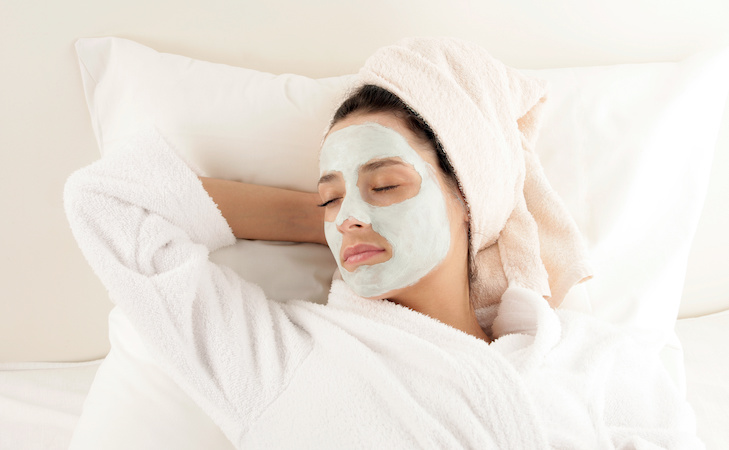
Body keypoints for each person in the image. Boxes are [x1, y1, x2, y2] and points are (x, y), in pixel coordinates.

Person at [65, 38, 702, 448]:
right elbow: (108, 202)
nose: (348, 217)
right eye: (331, 195)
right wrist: (323, 219)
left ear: (468, 199)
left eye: (387, 184)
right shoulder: (274, 359)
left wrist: (349, 212)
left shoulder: (602, 362)